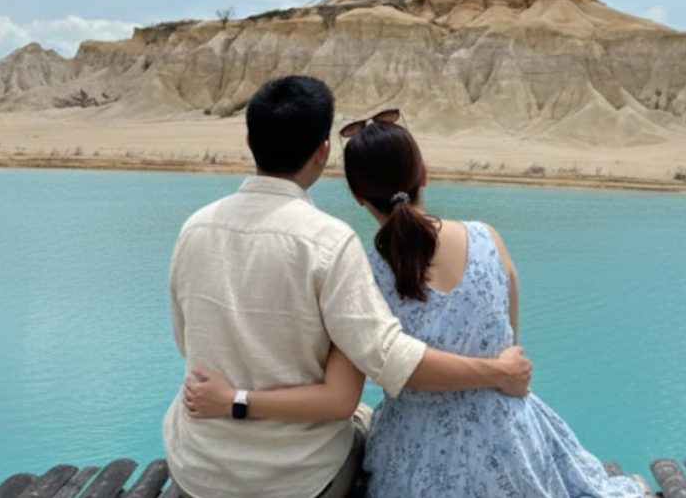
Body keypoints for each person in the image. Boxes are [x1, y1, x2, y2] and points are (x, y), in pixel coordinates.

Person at [185, 112, 646, 498]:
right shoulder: (489, 239)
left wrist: (235, 400)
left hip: (415, 457)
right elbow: (510, 344)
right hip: (511, 441)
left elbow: (345, 392)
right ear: (424, 175)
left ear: (358, 196)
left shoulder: (363, 271)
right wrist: (497, 376)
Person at [163, 77, 532, 498]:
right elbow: (371, 375)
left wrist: (234, 397)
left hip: (198, 471)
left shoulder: (194, 229)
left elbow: (184, 342)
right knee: (360, 416)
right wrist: (500, 372)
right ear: (321, 154)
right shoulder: (331, 243)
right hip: (299, 481)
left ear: (249, 142)